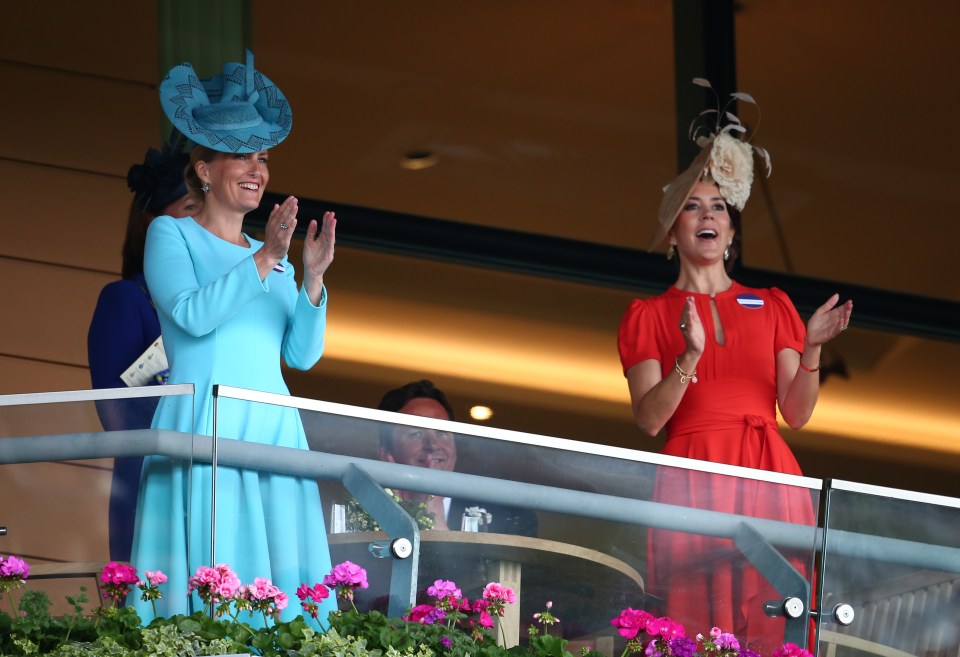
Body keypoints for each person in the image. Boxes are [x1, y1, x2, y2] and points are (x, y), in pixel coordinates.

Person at [617, 81, 852, 647]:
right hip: (694, 471)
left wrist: (813, 345)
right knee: (697, 622)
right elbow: (650, 420)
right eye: (692, 207)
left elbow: (796, 413)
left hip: (768, 469)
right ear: (673, 231)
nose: (707, 215)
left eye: (718, 206)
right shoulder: (647, 315)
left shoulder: (772, 304)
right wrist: (689, 357)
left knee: (777, 614)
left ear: (731, 230)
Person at [129, 51, 338, 624]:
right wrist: (269, 256)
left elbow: (301, 354)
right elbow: (193, 316)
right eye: (242, 155)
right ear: (204, 169)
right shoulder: (171, 234)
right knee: (206, 596)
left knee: (281, 598)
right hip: (204, 422)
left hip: (272, 427)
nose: (258, 168)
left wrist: (313, 279)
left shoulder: (266, 256)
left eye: (263, 156)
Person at [87, 135, 200, 562]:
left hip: (208, 476)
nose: (201, 224)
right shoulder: (126, 299)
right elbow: (115, 414)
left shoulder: (220, 299)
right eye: (190, 210)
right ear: (155, 224)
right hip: (152, 475)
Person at [377, 379, 538, 537]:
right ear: (386, 454)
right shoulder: (365, 511)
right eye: (416, 434)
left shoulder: (509, 516)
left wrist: (437, 524)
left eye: (442, 433)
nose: (433, 445)